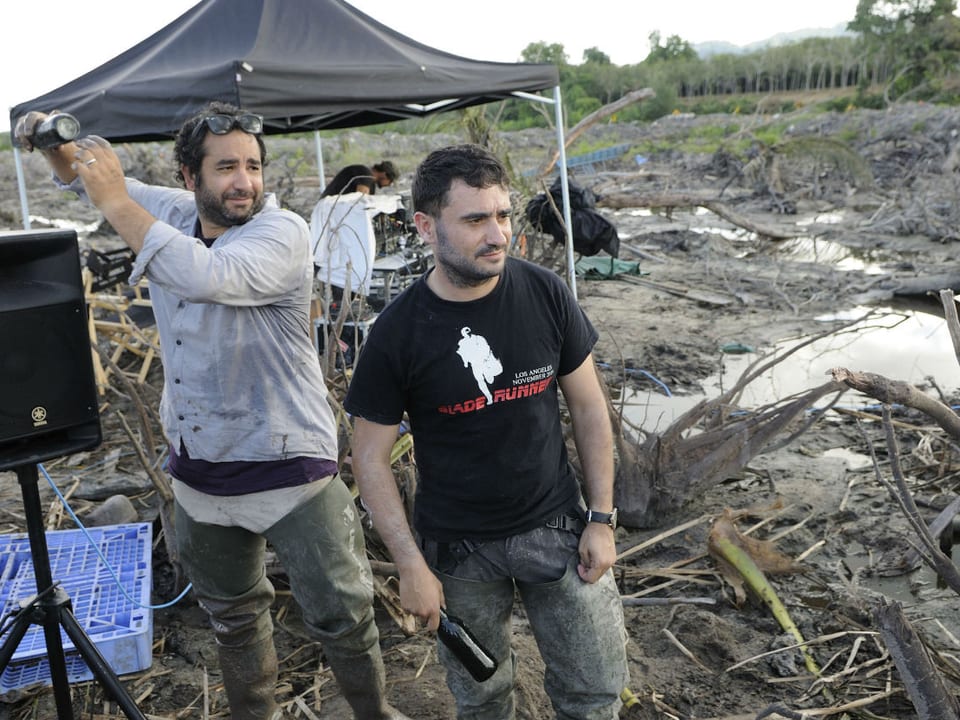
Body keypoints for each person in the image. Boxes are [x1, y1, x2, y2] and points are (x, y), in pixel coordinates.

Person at [14, 102, 410, 720]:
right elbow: (83, 176)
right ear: (187, 177)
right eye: (226, 166)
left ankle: (373, 712)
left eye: (252, 165)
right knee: (232, 618)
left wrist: (118, 202)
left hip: (290, 470)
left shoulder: (281, 233)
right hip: (202, 472)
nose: (244, 182)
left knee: (341, 613)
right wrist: (51, 143)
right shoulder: (173, 212)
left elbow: (205, 275)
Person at [345, 143, 630, 719]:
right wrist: (410, 566)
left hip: (558, 529)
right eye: (475, 219)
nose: (497, 234)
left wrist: (601, 518)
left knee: (594, 691)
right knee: (482, 697)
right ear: (426, 226)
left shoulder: (545, 293)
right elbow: (369, 458)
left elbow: (590, 408)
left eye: (502, 215)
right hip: (458, 550)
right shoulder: (398, 332)